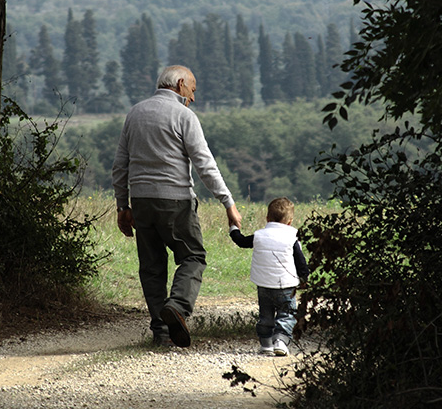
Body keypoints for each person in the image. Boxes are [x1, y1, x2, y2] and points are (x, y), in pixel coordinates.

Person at [112, 64, 242, 348]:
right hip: (176, 201)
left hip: (141, 202)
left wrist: (123, 206)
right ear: (181, 83)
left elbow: (120, 165)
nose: (192, 97)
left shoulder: (134, 113)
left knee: (152, 267)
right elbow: (204, 165)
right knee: (193, 256)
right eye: (192, 90)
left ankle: (161, 333)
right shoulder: (184, 116)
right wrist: (228, 202)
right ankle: (178, 307)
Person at [229, 196, 309, 356]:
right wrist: (304, 278)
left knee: (265, 316)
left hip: (263, 285)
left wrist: (233, 227)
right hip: (286, 286)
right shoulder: (292, 237)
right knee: (286, 315)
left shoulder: (259, 235)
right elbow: (300, 261)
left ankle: (265, 344)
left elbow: (241, 241)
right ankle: (280, 341)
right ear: (289, 222)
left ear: (267, 218)